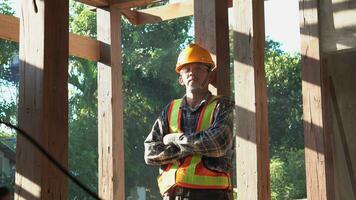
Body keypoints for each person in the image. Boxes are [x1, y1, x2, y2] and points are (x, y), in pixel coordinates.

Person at [144, 43, 234, 200]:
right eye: (187, 69)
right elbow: (150, 153)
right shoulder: (170, 109)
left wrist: (174, 139)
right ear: (181, 79)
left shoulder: (222, 105)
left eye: (199, 68)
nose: (192, 73)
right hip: (173, 195)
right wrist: (195, 146)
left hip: (212, 195)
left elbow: (218, 144)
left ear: (210, 75)